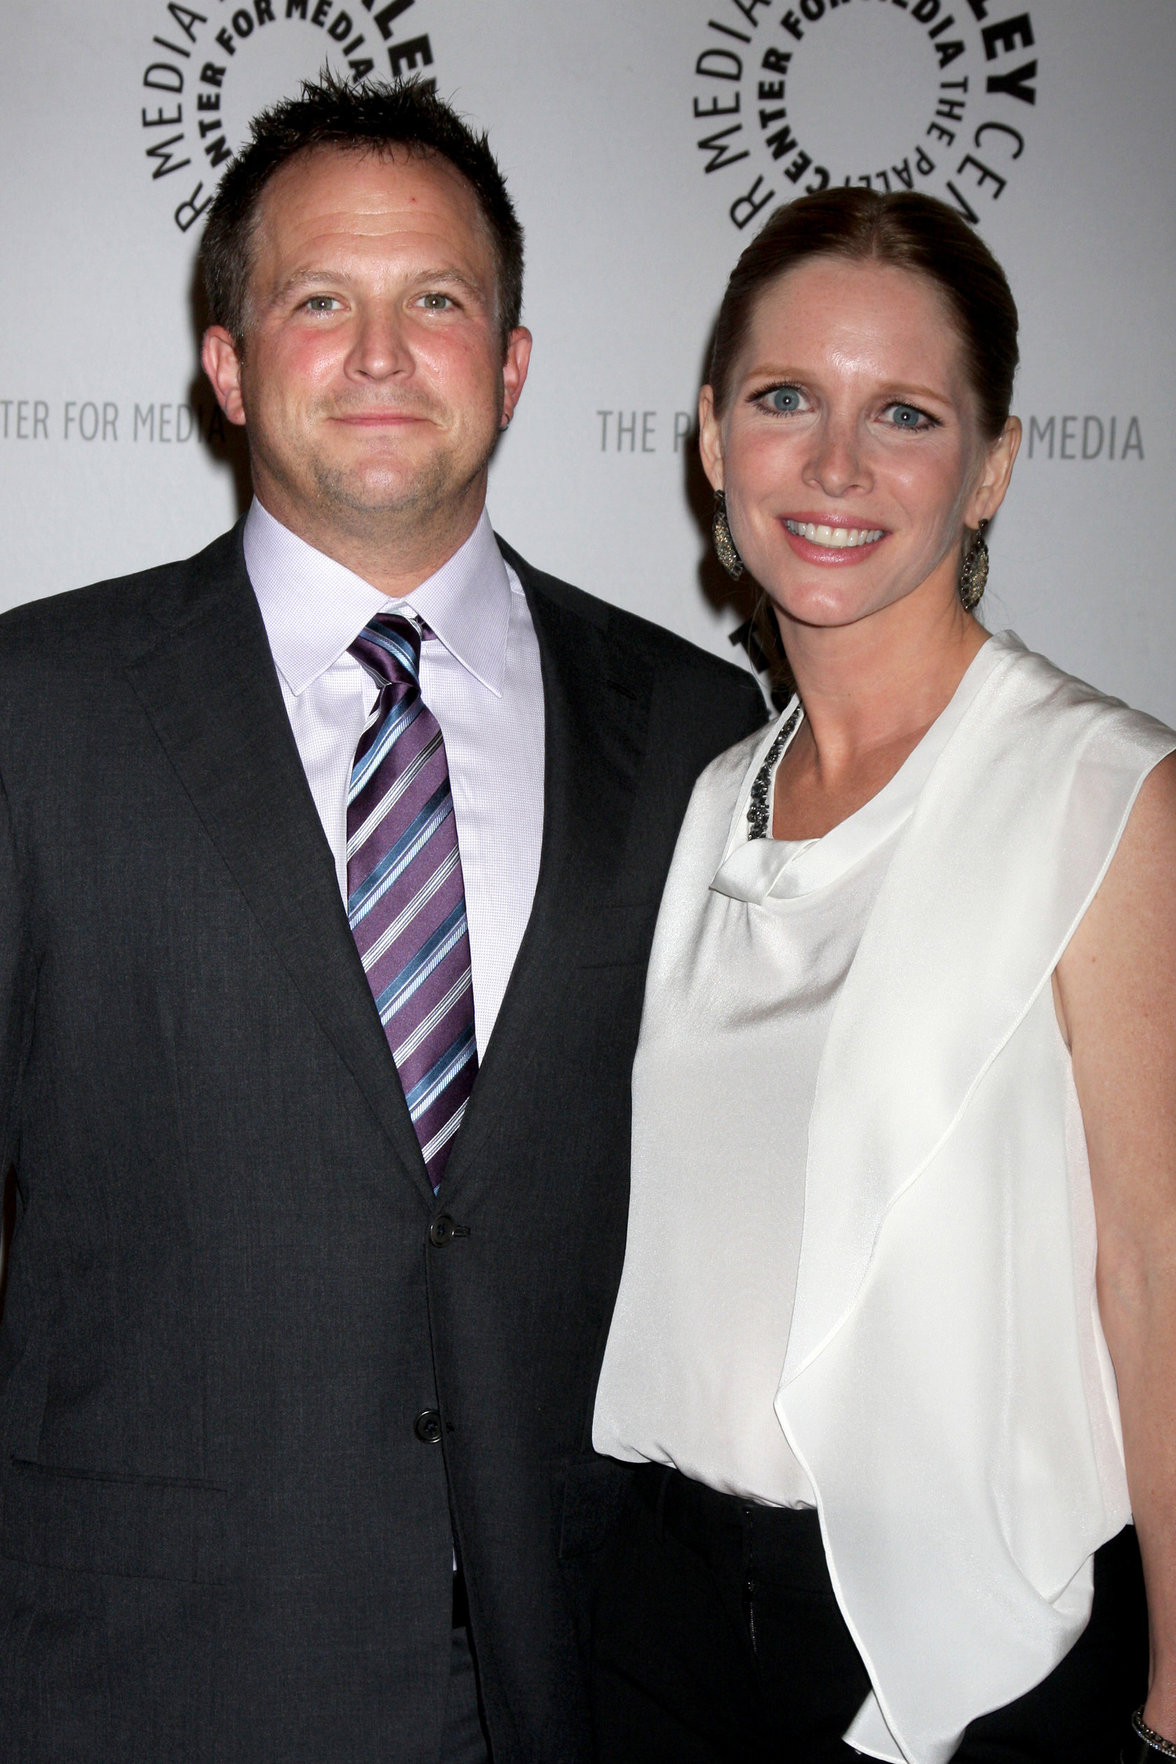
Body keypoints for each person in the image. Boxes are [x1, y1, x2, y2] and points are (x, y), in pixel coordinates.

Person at [0, 76, 764, 1764]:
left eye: (436, 302)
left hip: (577, 1674)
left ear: (510, 365)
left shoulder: (700, 728)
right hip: (138, 1671)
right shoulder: (32, 711)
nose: (377, 353)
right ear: (226, 365)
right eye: (318, 302)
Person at [591, 187, 1176, 1764]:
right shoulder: (717, 793)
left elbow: (1158, 1265)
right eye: (787, 399)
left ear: (989, 467)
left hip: (969, 1643)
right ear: (714, 437)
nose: (836, 467)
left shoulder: (1102, 795)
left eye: (903, 414)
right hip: (665, 1618)